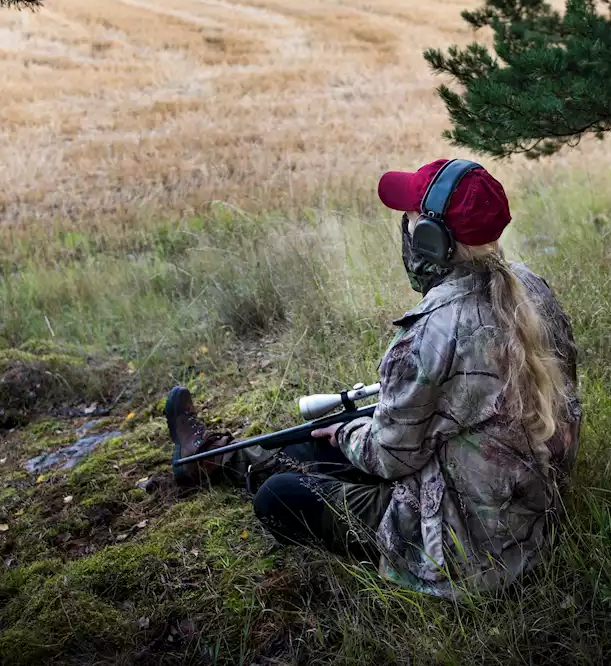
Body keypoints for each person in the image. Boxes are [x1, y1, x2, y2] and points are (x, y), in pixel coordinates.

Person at [164, 158, 582, 598]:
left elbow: (388, 459)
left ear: (431, 240)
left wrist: (348, 433)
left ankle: (219, 461)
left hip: (471, 553)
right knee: (319, 441)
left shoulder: (429, 335)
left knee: (280, 495)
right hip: (529, 514)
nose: (404, 227)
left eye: (412, 219)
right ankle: (214, 459)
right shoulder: (531, 288)